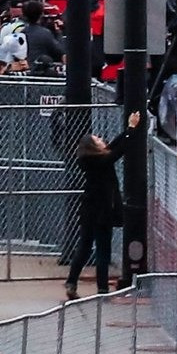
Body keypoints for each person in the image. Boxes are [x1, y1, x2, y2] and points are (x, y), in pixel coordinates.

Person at [67, 110, 142, 298]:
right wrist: (131, 129)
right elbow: (118, 150)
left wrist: (127, 129)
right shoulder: (99, 161)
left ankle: (72, 282)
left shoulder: (90, 160)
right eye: (97, 139)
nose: (101, 139)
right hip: (102, 212)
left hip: (89, 210)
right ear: (92, 146)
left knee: (84, 247)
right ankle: (101, 288)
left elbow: (114, 147)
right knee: (102, 250)